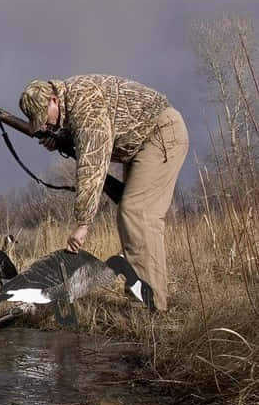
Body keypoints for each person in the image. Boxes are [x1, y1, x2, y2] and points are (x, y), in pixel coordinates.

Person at [18, 74, 188, 311]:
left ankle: (151, 306)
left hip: (161, 135)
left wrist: (83, 224)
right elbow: (78, 132)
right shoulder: (71, 103)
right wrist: (58, 138)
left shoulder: (86, 104)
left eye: (45, 120)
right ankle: (142, 297)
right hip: (141, 144)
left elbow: (92, 165)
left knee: (137, 214)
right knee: (134, 217)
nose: (45, 126)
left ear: (54, 100)